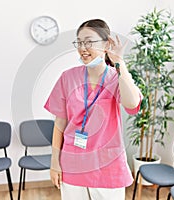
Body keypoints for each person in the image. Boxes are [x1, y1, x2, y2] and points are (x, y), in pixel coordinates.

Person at [44, 19, 142, 200]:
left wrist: (119, 62)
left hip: (108, 166)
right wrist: (54, 162)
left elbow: (132, 103)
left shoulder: (117, 78)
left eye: (89, 42)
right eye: (79, 42)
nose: (83, 47)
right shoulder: (68, 78)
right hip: (72, 163)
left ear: (106, 44)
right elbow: (60, 124)